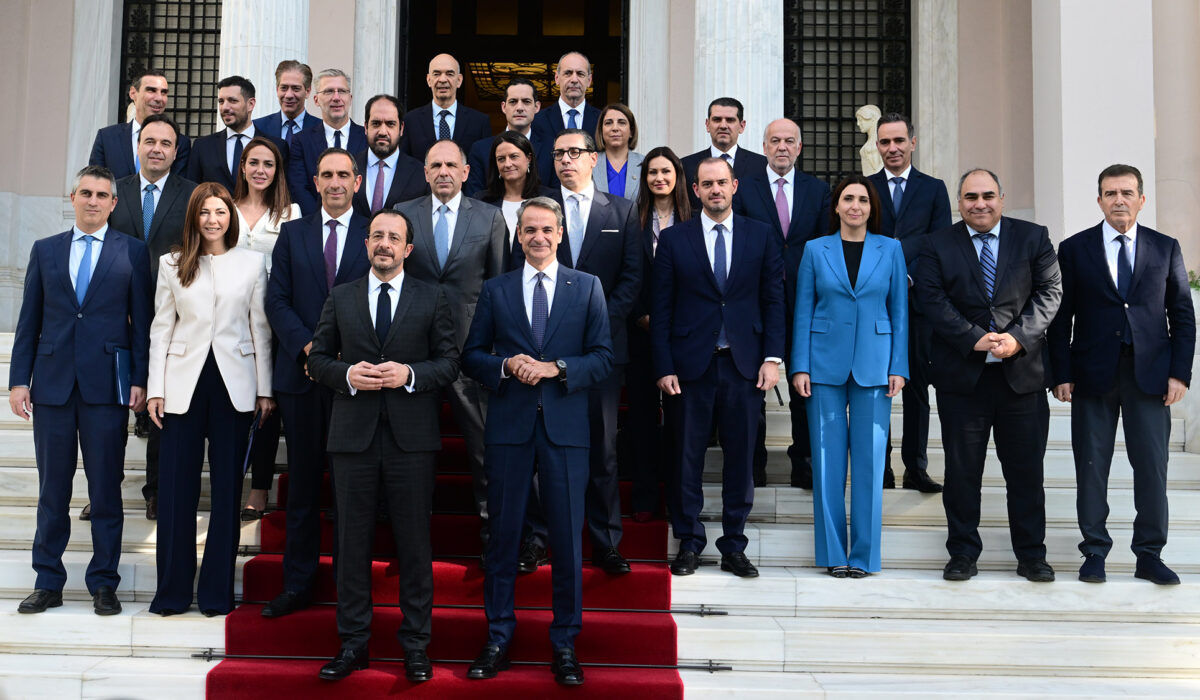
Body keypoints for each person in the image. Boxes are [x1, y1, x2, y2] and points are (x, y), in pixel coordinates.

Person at [462, 196, 613, 686]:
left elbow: (603, 358)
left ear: (561, 233)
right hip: (509, 427)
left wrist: (558, 368)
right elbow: (472, 356)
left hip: (566, 430)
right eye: (529, 230)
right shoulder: (497, 289)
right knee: (504, 538)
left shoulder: (587, 287)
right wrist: (505, 365)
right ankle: (498, 638)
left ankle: (565, 643)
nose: (539, 237)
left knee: (567, 541)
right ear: (519, 235)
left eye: (547, 229)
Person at [307, 209, 460, 682]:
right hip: (352, 438)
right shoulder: (341, 296)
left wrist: (409, 374)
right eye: (377, 236)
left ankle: (416, 646)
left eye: (394, 237)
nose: (384, 244)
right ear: (366, 243)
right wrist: (347, 375)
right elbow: (317, 360)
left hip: (411, 441)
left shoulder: (432, 297)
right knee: (351, 546)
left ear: (408, 249)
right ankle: (354, 644)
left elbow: (450, 362)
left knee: (414, 545)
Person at [10, 165, 151, 616]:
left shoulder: (133, 252)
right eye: (86, 193)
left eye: (102, 195)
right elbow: (29, 320)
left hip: (106, 387)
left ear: (113, 203)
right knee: (52, 490)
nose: (93, 201)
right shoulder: (45, 250)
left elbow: (142, 325)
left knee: (106, 489)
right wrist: (18, 380)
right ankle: (48, 581)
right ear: (73, 198)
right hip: (51, 386)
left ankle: (104, 583)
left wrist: (140, 379)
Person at [1048, 164, 1195, 586]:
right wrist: (1061, 372)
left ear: (1141, 200)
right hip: (1092, 374)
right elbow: (1060, 318)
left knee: (1152, 467)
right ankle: (1094, 551)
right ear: (1099, 200)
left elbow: (1182, 316)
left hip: (1150, 376)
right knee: (1091, 466)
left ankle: (1149, 554)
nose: (1119, 200)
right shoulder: (1074, 249)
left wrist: (1180, 374)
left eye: (1127, 193)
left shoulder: (1165, 248)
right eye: (1110, 193)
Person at [916, 168, 1061, 583]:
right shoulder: (936, 244)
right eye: (970, 197)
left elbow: (1049, 293)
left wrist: (1017, 338)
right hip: (963, 380)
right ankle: (962, 553)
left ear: (1001, 197)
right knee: (963, 474)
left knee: (1026, 473)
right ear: (959, 202)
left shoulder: (1033, 237)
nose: (979, 204)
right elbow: (931, 298)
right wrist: (972, 338)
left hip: (1022, 379)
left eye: (987, 196)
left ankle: (1032, 555)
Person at [511, 128, 642, 576]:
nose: (565, 160)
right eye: (558, 153)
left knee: (603, 450)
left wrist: (596, 323)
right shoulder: (538, 209)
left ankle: (606, 543)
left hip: (602, 353)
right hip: (542, 349)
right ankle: (538, 539)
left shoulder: (622, 210)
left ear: (593, 158)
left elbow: (631, 278)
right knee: (541, 449)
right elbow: (519, 273)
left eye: (574, 152)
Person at [653, 157, 785, 578]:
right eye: (707, 184)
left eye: (721, 183)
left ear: (734, 186)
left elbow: (774, 300)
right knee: (684, 459)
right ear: (695, 190)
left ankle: (734, 545)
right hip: (689, 368)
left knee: (741, 460)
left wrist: (772, 358)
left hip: (744, 366)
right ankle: (689, 542)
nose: (715, 190)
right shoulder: (674, 239)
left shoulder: (760, 235)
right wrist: (664, 366)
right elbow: (662, 308)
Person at [146, 182, 274, 616]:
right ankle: (172, 592)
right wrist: (156, 388)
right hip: (181, 386)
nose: (213, 220)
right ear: (193, 217)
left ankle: (217, 593)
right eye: (205, 212)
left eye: (220, 212)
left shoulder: (251, 263)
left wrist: (265, 389)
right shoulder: (172, 263)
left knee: (226, 493)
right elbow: (161, 328)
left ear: (230, 217)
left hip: (234, 387)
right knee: (175, 493)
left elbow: (260, 329)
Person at [262, 148, 370, 617]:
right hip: (302, 378)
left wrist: (346, 357)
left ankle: (350, 588)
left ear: (357, 182)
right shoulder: (293, 233)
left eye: (344, 174)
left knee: (350, 491)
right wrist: (311, 349)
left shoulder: (375, 231)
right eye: (327, 174)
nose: (335, 182)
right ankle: (297, 584)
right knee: (303, 488)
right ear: (316, 182)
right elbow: (277, 300)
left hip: (355, 380)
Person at [790, 174, 908, 578]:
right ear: (836, 207)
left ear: (872, 208)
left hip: (875, 365)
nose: (855, 205)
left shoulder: (891, 249)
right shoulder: (814, 249)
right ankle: (833, 554)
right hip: (823, 363)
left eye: (862, 199)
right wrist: (800, 365)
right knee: (826, 460)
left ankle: (864, 556)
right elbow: (803, 309)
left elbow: (899, 311)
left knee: (870, 463)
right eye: (848, 199)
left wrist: (898, 366)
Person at [397, 139, 507, 562]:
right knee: (411, 451)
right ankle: (410, 541)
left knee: (483, 450)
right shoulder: (404, 214)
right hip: (414, 352)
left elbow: (498, 286)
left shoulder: (490, 217)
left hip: (470, 352)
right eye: (435, 165)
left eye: (451, 165)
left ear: (465, 172)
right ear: (425, 173)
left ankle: (494, 536)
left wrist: (492, 349)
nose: (443, 171)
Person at [106, 113, 198, 522]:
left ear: (176, 152)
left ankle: (157, 491)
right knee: (112, 412)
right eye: (150, 141)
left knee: (163, 407)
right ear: (138, 146)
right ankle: (105, 490)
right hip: (117, 317)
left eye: (165, 143)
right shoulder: (114, 191)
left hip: (171, 317)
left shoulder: (191, 195)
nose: (157, 149)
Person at [735, 118, 831, 489]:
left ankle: (804, 465)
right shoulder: (745, 188)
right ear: (764, 147)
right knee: (754, 388)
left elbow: (825, 244)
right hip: (757, 304)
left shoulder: (817, 190)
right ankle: (753, 467)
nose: (782, 147)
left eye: (790, 141)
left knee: (804, 388)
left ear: (799, 147)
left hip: (807, 304)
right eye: (775, 140)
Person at [867, 113, 951, 493]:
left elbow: (940, 243)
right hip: (872, 304)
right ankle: (880, 468)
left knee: (916, 386)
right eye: (885, 142)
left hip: (918, 306)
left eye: (899, 140)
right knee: (875, 386)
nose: (893, 148)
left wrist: (909, 277)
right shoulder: (865, 188)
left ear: (912, 143)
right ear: (877, 146)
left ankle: (915, 467)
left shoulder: (933, 189)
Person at [232, 137, 301, 519]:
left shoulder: (290, 212)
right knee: (234, 403)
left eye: (269, 164)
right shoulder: (225, 208)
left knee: (266, 406)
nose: (261, 170)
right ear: (243, 167)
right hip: (229, 320)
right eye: (254, 162)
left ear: (278, 171)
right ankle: (230, 480)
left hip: (272, 322)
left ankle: (259, 488)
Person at [626, 146, 691, 521]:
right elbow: (624, 273)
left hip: (683, 335)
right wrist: (641, 316)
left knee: (681, 422)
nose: (659, 178)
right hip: (640, 333)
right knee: (642, 419)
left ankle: (677, 498)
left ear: (677, 176)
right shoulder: (630, 219)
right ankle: (645, 496)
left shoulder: (693, 220)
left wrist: (672, 321)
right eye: (652, 172)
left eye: (666, 171)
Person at [187, 76, 289, 193]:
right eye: (221, 101)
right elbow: (192, 192)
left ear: (250, 104)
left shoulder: (277, 146)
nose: (225, 107)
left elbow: (282, 191)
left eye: (232, 101)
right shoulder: (202, 146)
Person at [286, 69, 367, 215]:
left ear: (350, 98)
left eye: (341, 91)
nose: (336, 98)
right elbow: (298, 188)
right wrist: (322, 220)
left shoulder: (366, 138)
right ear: (316, 100)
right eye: (329, 91)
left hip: (360, 222)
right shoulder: (301, 140)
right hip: (315, 222)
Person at [90, 70, 191, 178]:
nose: (159, 98)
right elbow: (94, 181)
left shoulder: (181, 142)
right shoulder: (107, 137)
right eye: (151, 90)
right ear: (133, 93)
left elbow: (178, 185)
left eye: (164, 92)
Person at [466, 77, 554, 196]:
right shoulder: (480, 149)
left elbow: (556, 195)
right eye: (513, 101)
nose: (519, 108)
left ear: (537, 107)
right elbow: (474, 199)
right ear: (503, 107)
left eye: (526, 101)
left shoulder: (551, 147)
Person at [474, 131, 555, 256]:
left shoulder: (549, 198)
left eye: (513, 156)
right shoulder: (481, 201)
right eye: (501, 159)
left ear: (528, 158)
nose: (507, 164)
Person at [680, 97, 767, 212]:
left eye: (730, 120)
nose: (723, 126)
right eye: (717, 119)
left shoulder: (762, 166)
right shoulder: (685, 166)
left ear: (742, 126)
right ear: (707, 124)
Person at [401, 53, 491, 160]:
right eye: (436, 74)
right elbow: (405, 162)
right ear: (429, 80)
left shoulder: (479, 122)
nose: (443, 79)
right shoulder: (410, 121)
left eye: (449, 74)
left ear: (459, 80)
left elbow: (485, 164)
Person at [352, 94, 428, 218]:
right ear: (366, 127)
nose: (382, 132)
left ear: (401, 128)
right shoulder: (348, 168)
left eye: (390, 124)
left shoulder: (421, 175)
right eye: (376, 123)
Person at [531, 52, 601, 143]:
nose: (574, 80)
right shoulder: (537, 120)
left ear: (589, 80)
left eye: (580, 74)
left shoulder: (602, 120)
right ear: (557, 78)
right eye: (568, 73)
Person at [253, 60, 322, 146]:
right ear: (277, 90)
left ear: (307, 91)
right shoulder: (257, 127)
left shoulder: (322, 129)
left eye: (296, 88)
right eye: (284, 88)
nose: (289, 95)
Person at [592, 103, 642, 200]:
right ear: (601, 131)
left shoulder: (644, 163)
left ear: (631, 131)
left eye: (622, 123)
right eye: (608, 123)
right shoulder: (589, 163)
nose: (615, 128)